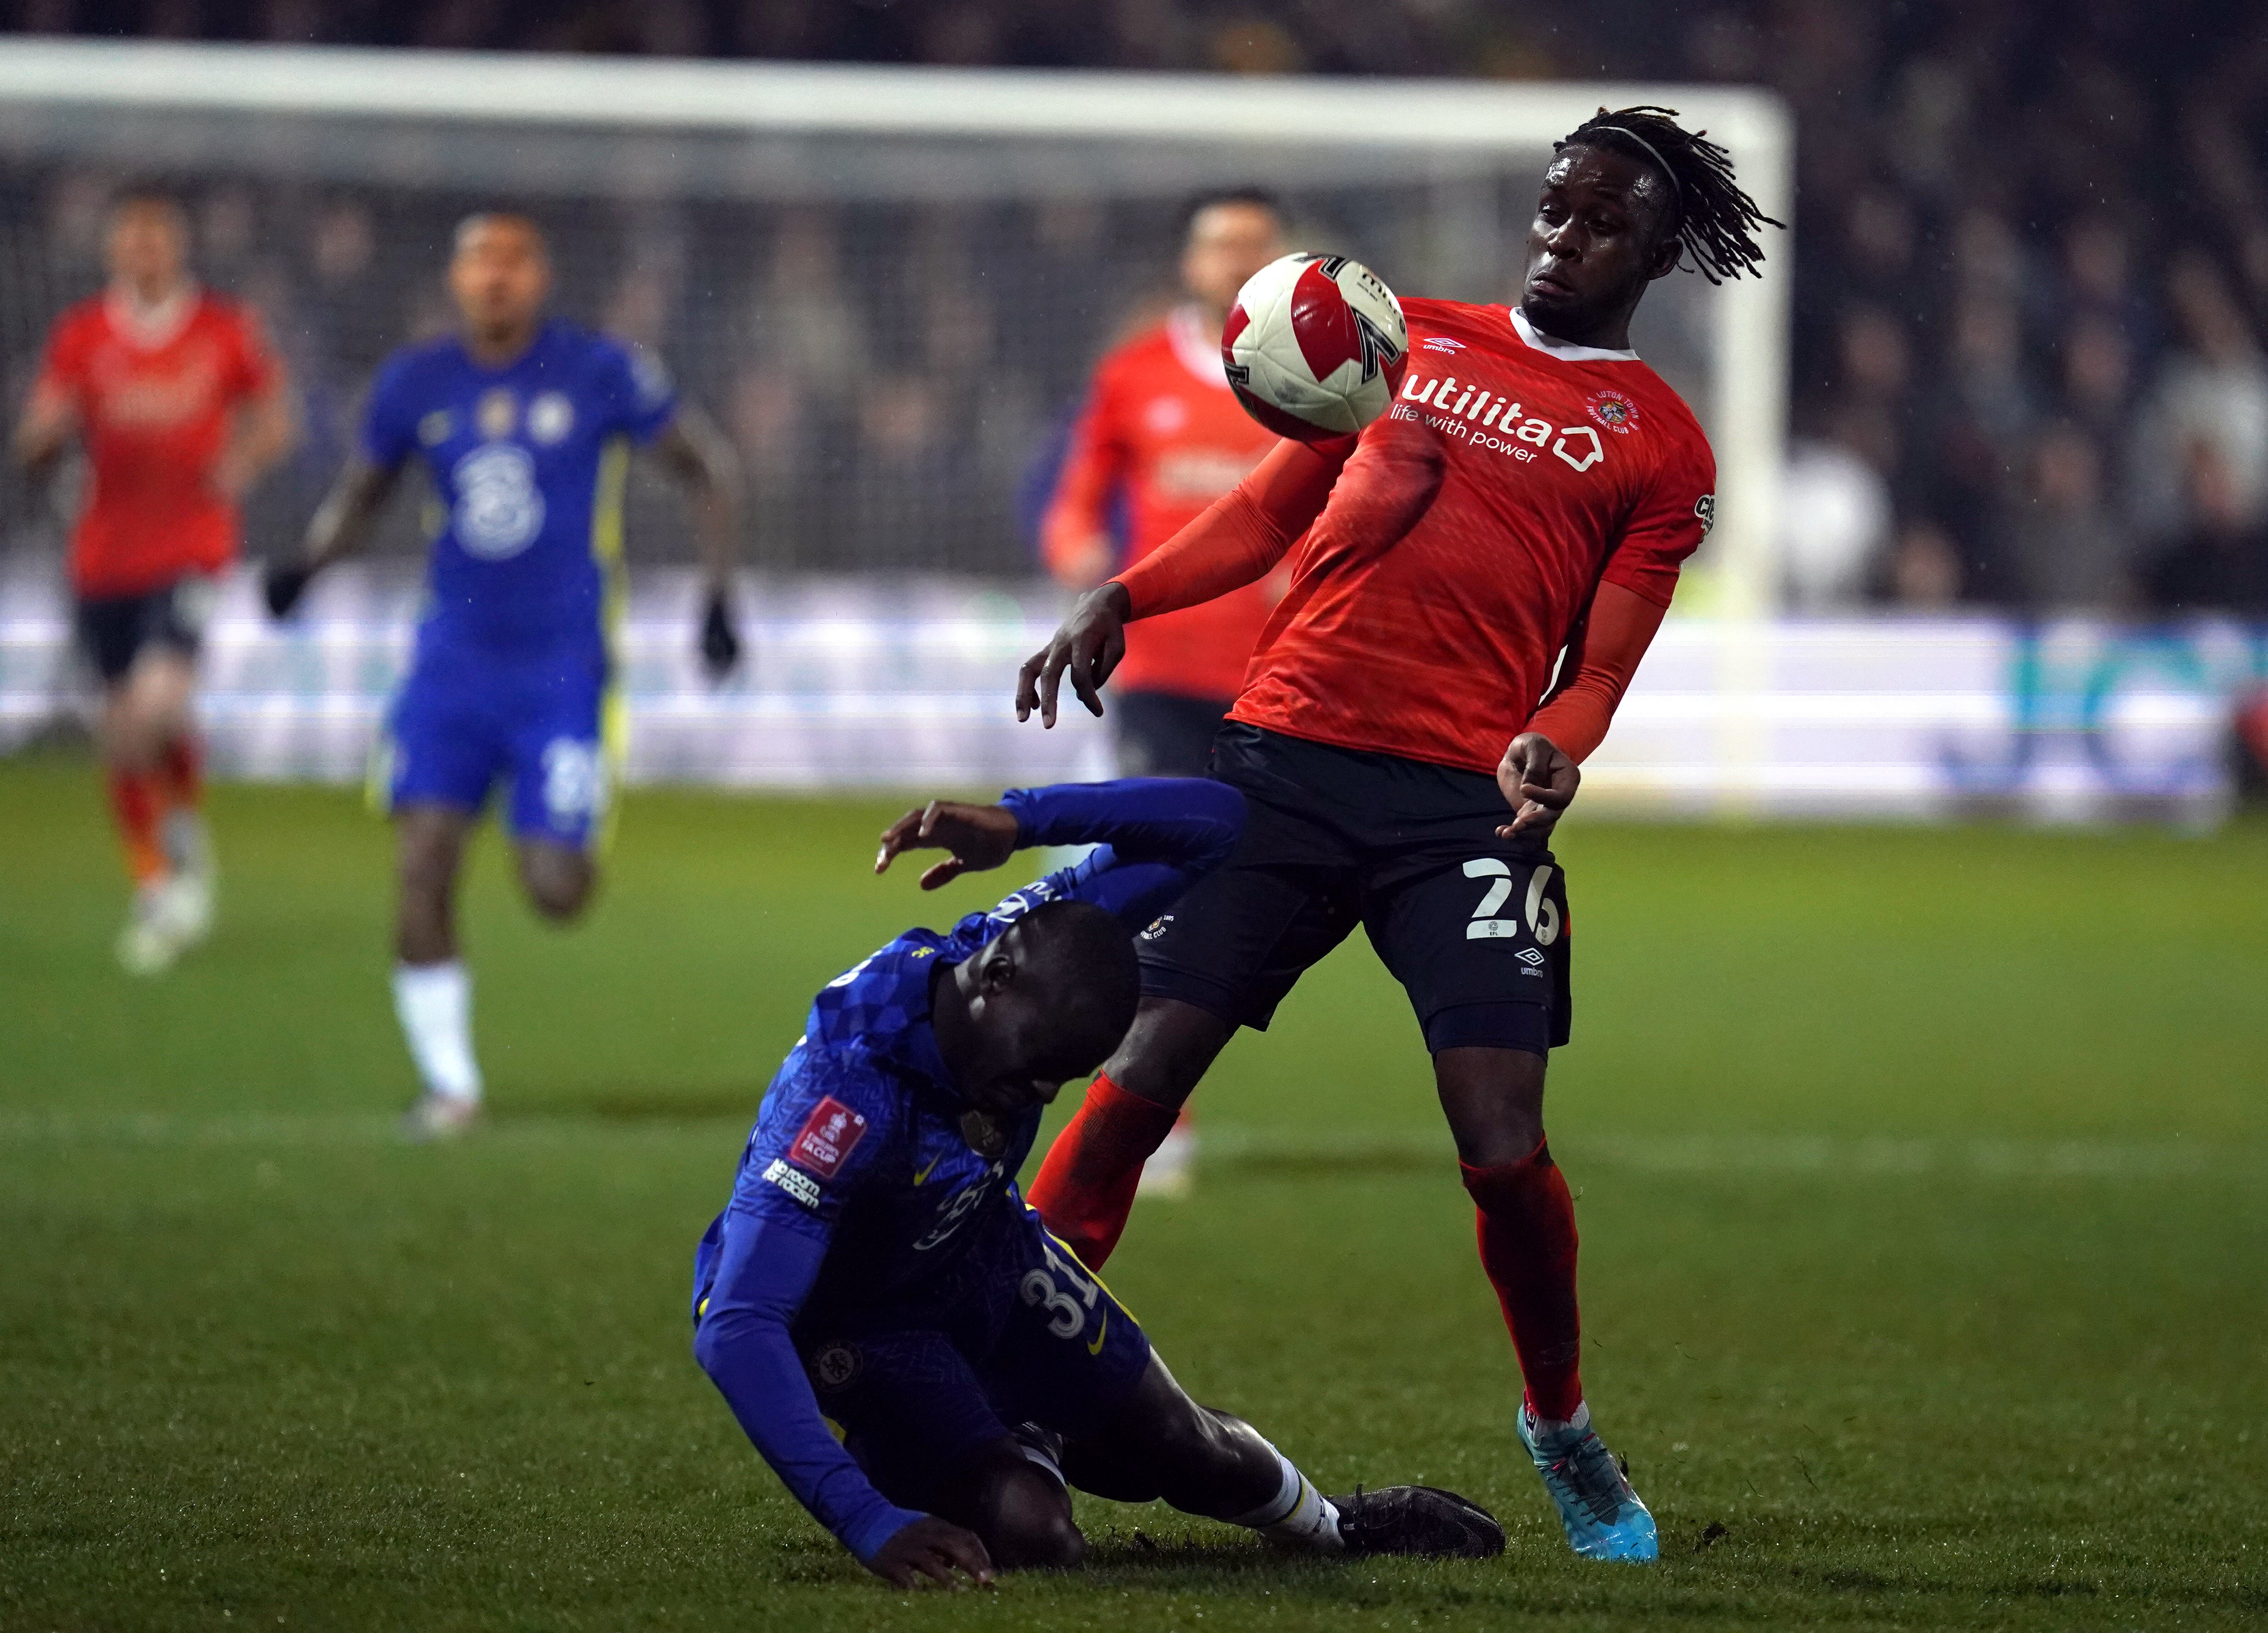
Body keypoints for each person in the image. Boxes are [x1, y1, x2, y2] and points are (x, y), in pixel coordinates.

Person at [1013, 107, 1780, 1564]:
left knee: (1501, 1147)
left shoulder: (1662, 448)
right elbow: (1263, 509)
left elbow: (1604, 661)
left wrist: (1562, 741)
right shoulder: (1401, 335)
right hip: (1285, 766)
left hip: (1458, 812)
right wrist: (1125, 593)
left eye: (1600, 220)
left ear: (1658, 249)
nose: (1562, 236)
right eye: (1554, 207)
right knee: (1131, 1081)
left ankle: (1557, 1422)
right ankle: (1029, 1387)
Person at [691, 776, 1504, 1585]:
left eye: (1065, 1077)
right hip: (869, 1329)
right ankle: (949, 1447)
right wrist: (867, 1523)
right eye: (1039, 1069)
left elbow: (1218, 823)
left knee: (1187, 1448)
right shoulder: (845, 1099)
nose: (1044, 1096)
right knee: (1035, 1535)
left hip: (987, 1253)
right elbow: (738, 1321)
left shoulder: (1025, 949)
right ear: (993, 983)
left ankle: (1332, 1526)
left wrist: (1021, 820)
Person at [263, 213, 744, 1138]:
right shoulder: (417, 382)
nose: (496, 278)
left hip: (563, 670)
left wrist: (719, 601)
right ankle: (451, 1086)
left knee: (557, 888)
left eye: (514, 261)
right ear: (455, 278)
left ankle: (566, 825)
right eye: (480, 261)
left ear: (542, 275)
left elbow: (708, 471)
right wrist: (306, 566)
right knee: (422, 864)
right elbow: (363, 495)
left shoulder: (599, 371)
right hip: (450, 666)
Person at [1037, 186, 1290, 1198]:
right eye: (1220, 245)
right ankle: (1154, 1111)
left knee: (1242, 899)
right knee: (1155, 880)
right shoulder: (1133, 375)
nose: (1235, 261)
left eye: (1255, 246)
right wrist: (1076, 550)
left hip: (1280, 677)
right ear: (1191, 263)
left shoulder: (1320, 375)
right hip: (1154, 670)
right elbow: (1074, 499)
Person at [14, 186, 296, 973]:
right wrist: (41, 437)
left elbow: (276, 415)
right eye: (130, 241)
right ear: (113, 252)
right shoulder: (82, 336)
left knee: (154, 703)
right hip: (103, 556)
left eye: (156, 241)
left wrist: (242, 461)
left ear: (177, 250)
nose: (143, 253)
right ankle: (163, 857)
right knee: (125, 730)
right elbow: (44, 420)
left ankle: (166, 886)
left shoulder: (223, 330)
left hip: (191, 550)